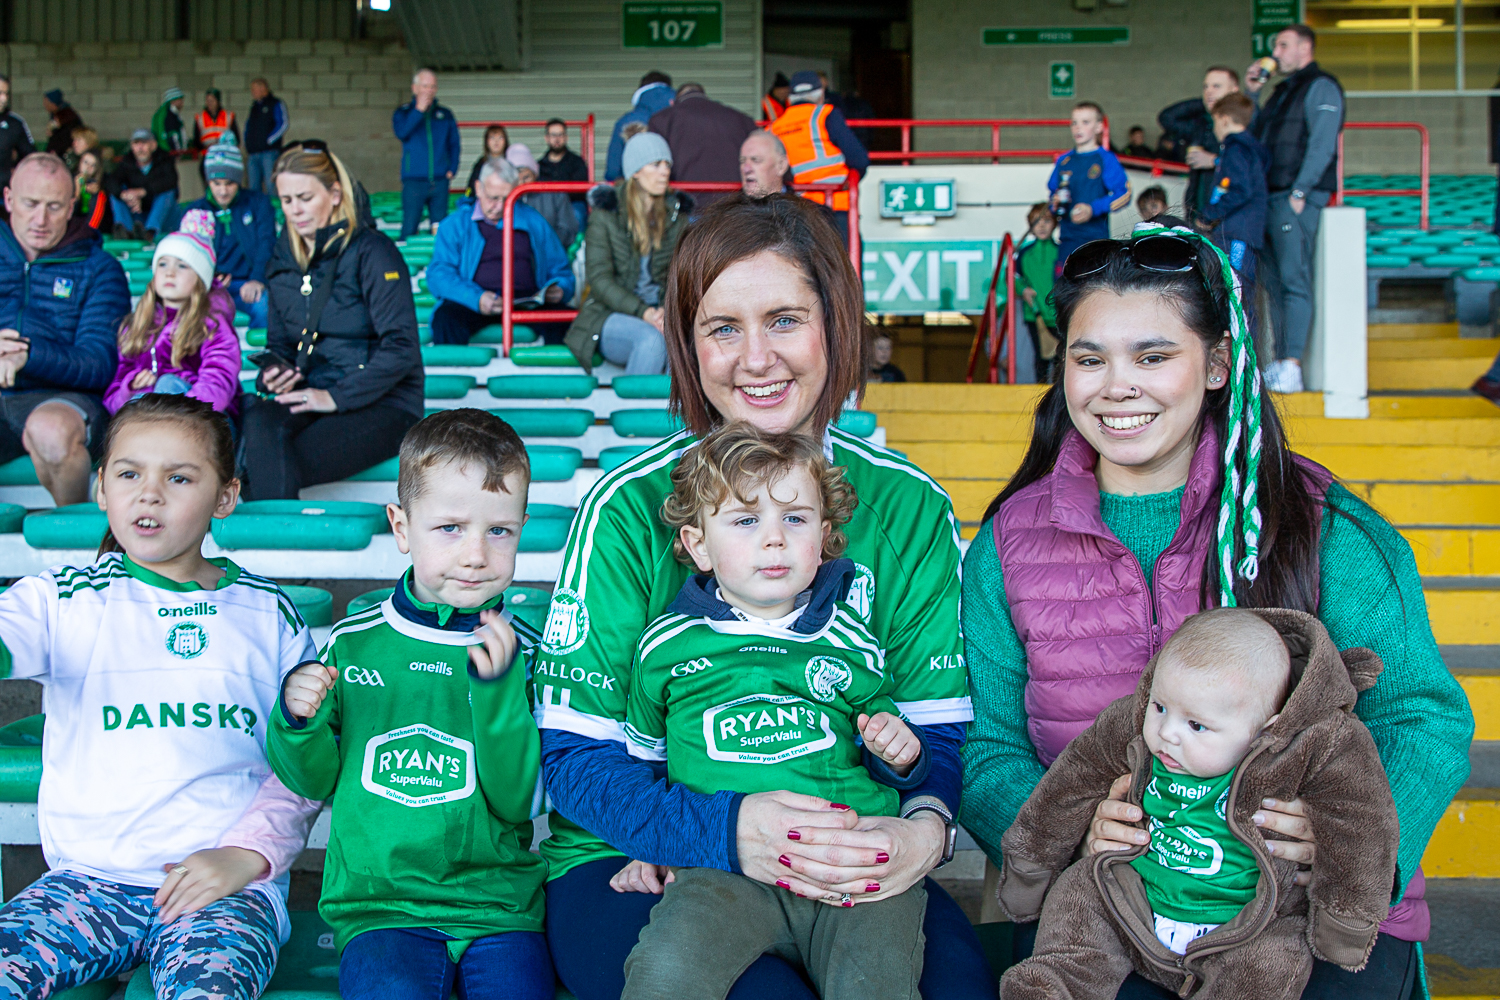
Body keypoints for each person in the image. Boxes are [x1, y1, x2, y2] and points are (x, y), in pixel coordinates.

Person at [959, 227, 1474, 1000]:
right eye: (1089, 358)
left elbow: (1421, 714)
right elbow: (987, 744)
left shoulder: (1322, 525)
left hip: (1297, 923)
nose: (1115, 385)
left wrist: (1345, 850)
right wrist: (1072, 834)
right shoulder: (1007, 543)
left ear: (1219, 364)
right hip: (1106, 913)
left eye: (1153, 356)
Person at [539, 194, 990, 1000]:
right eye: (722, 328)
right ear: (688, 344)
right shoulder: (626, 507)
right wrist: (715, 830)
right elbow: (576, 761)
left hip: (851, 849)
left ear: (836, 325)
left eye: (784, 319)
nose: (756, 358)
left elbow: (936, 733)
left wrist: (926, 829)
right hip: (642, 859)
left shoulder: (910, 505)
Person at [0, 393, 322, 999]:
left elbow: (301, 767)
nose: (149, 493)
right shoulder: (62, 598)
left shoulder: (268, 611)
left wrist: (246, 857)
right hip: (88, 884)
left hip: (222, 888)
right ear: (101, 488)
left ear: (225, 496)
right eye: (128, 474)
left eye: (179, 477)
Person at [618, 423, 929, 1000]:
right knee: (663, 974)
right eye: (745, 520)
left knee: (875, 987)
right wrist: (650, 845)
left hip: (851, 860)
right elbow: (645, 763)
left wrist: (899, 752)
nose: (774, 540)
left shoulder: (849, 638)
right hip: (722, 874)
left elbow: (884, 745)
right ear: (698, 544)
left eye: (794, 518)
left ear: (825, 536)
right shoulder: (666, 646)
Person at [268, 408, 554, 1000]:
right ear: (402, 527)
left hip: (498, 907)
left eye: (499, 531)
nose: (476, 554)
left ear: (522, 527)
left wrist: (498, 693)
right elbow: (316, 781)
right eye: (450, 528)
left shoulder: (524, 652)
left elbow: (518, 802)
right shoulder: (353, 641)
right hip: (381, 908)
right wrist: (297, 722)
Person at [998, 608, 1400, 1000]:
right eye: (1160, 707)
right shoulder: (1135, 722)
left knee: (1270, 962)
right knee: (1080, 896)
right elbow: (1074, 778)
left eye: (1196, 725)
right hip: (1133, 897)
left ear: (1267, 729)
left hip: (1244, 925)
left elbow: (1361, 820)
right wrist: (1033, 863)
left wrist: (1345, 917)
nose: (1167, 733)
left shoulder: (1310, 748)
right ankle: (1058, 983)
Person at [243, 143, 423, 500]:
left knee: (264, 466)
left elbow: (402, 348)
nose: (295, 211)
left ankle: (275, 549)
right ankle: (278, 544)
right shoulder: (283, 258)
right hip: (314, 390)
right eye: (287, 200)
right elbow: (281, 345)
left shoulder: (374, 252)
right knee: (258, 419)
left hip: (385, 403)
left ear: (335, 194)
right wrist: (277, 372)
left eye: (305, 198)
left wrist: (334, 397)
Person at [0, 153, 129, 506]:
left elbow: (100, 364)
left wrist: (27, 356)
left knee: (51, 432)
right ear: (9, 198)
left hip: (64, 399)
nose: (41, 219)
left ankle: (78, 544)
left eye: (54, 207)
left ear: (72, 206)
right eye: (30, 204)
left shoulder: (99, 267)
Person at [1247, 25, 1344, 395]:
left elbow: (1321, 143)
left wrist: (1301, 191)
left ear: (1305, 47)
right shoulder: (1280, 92)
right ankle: (1279, 362)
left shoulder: (1322, 86)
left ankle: (1291, 363)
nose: (1276, 51)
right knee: (1272, 286)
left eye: (1282, 44)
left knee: (1293, 280)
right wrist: (1253, 94)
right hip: (1268, 197)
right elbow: (1252, 137)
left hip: (1293, 198)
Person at [563, 133, 689, 375]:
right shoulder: (606, 214)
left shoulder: (676, 217)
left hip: (663, 315)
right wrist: (644, 312)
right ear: (635, 171)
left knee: (685, 344)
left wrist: (665, 310)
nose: (665, 172)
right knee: (651, 341)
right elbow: (599, 280)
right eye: (656, 164)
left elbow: (681, 276)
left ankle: (678, 414)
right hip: (609, 314)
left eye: (667, 165)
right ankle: (633, 412)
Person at [426, 157, 574, 347]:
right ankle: (456, 374)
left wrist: (561, 288)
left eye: (508, 199)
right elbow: (439, 275)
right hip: (474, 301)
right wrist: (475, 298)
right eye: (493, 198)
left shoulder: (534, 222)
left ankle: (554, 376)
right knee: (445, 320)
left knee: (566, 322)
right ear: (478, 189)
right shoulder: (455, 225)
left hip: (527, 302)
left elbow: (561, 270)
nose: (500, 207)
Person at [104, 210, 241, 415]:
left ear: (200, 278)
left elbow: (218, 385)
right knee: (142, 400)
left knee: (167, 387)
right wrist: (129, 388)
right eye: (162, 264)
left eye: (182, 266)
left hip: (202, 421)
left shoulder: (212, 324)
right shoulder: (136, 326)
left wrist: (170, 406)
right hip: (148, 422)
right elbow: (112, 400)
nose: (170, 272)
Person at [181, 139, 277, 330]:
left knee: (263, 306)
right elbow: (187, 255)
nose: (223, 191)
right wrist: (209, 279)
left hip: (248, 283)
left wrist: (257, 279)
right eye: (216, 183)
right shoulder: (196, 211)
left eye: (230, 183)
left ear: (240, 180)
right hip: (209, 286)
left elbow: (268, 244)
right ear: (208, 181)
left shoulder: (258, 203)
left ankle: (265, 359)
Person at [771, 71, 868, 244]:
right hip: (834, 209)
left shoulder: (772, 129)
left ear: (790, 98)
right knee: (846, 265)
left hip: (795, 214)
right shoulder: (826, 115)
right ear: (821, 94)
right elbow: (859, 160)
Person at [1197, 92, 1269, 291]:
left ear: (1225, 120)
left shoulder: (1236, 149)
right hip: (1239, 230)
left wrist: (1208, 214)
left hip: (1238, 231)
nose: (1214, 129)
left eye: (1215, 122)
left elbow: (1240, 191)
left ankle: (1242, 323)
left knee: (1236, 287)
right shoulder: (1248, 149)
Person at [1047, 101, 1130, 270]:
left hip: (1095, 239)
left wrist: (1093, 209)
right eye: (1074, 123)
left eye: (1085, 122)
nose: (1078, 128)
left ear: (1099, 127)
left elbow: (1124, 194)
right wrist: (1053, 204)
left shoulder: (1105, 159)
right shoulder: (1064, 160)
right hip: (1067, 239)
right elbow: (1052, 194)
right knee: (1065, 291)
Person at [648, 83, 757, 211]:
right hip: (734, 207)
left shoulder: (661, 120)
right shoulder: (741, 119)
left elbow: (653, 164)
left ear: (673, 102)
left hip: (686, 208)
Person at [1159, 67, 1243, 220]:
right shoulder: (1201, 124)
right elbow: (1166, 118)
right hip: (1196, 211)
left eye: (1216, 86)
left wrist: (1213, 160)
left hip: (1228, 216)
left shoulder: (1244, 124)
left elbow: (1252, 167)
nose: (1209, 91)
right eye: (1206, 87)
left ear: (1234, 90)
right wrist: (1207, 102)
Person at [392, 69, 461, 240]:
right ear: (414, 88)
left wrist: (452, 168)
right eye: (425, 86)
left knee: (440, 229)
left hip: (439, 180)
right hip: (414, 181)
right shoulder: (403, 112)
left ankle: (440, 265)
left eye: (432, 87)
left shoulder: (445, 114)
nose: (429, 91)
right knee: (409, 226)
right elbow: (402, 132)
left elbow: (454, 144)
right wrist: (418, 111)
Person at [106, 128, 179, 241]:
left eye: (144, 143)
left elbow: (170, 181)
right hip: (138, 216)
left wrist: (143, 192)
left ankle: (150, 232)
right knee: (116, 192)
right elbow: (111, 182)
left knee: (167, 192)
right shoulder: (127, 162)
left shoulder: (164, 159)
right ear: (132, 146)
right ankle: (126, 232)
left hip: (164, 218)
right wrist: (125, 195)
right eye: (136, 143)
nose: (140, 148)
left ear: (153, 145)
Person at [1014, 204, 1059, 384]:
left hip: (1058, 315)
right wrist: (1022, 289)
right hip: (1034, 314)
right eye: (1036, 222)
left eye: (1046, 221)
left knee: (1061, 358)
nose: (1041, 226)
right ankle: (1040, 399)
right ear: (1030, 226)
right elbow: (1014, 278)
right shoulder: (1024, 253)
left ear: (1055, 223)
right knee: (1040, 358)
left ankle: (1058, 397)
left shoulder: (1060, 251)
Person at [605, 71, 675, 182]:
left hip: (635, 191)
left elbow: (613, 170)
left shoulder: (625, 121)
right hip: (674, 191)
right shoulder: (682, 118)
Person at [509, 143, 580, 247]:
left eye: (526, 177)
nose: (521, 184)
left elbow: (567, 230)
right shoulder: (501, 198)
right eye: (516, 179)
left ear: (535, 174)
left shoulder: (555, 193)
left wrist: (543, 244)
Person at [539, 117, 590, 231]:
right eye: (553, 135)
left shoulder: (577, 162)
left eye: (560, 135)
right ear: (546, 138)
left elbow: (580, 191)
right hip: (547, 207)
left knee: (577, 215)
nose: (557, 139)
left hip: (572, 205)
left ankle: (578, 248)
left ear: (566, 137)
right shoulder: (539, 165)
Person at [244, 78, 289, 194]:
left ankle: (274, 211)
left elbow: (283, 124)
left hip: (269, 153)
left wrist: (269, 141)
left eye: (254, 89)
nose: (252, 92)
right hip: (253, 153)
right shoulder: (254, 106)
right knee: (253, 188)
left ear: (263, 88)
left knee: (271, 185)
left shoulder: (275, 103)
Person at [0, 75, 35, 192]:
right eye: (0, 93)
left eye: (6, 94)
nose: (4, 99)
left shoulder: (15, 123)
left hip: (5, 195)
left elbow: (30, 156)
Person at [739, 129, 792, 198]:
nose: (746, 169)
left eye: (756, 160)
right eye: (742, 161)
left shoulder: (803, 207)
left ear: (781, 165)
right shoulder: (729, 208)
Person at [191, 88, 240, 159]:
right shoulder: (199, 118)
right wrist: (206, 147)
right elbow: (196, 140)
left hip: (225, 155)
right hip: (207, 155)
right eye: (208, 101)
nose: (209, 103)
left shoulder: (229, 116)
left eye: (212, 101)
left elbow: (236, 139)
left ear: (218, 101)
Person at [73, 147, 113, 233]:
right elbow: (71, 211)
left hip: (94, 226)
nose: (88, 167)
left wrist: (95, 193)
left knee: (100, 195)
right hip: (73, 225)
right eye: (85, 162)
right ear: (80, 162)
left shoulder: (102, 183)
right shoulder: (71, 180)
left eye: (93, 165)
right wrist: (77, 191)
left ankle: (89, 232)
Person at [463, 124, 510, 196]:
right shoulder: (481, 163)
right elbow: (472, 186)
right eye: (492, 138)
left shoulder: (511, 161)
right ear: (486, 142)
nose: (496, 141)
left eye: (500, 138)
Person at [42, 90, 83, 158]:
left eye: (47, 102)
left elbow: (64, 138)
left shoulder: (67, 116)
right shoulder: (55, 114)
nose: (44, 105)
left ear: (53, 104)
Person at [151, 86, 188, 154]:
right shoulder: (170, 116)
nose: (182, 102)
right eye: (180, 99)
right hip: (170, 154)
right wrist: (178, 152)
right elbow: (173, 136)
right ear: (173, 101)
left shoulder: (163, 114)